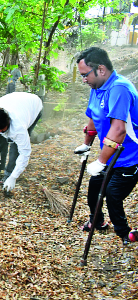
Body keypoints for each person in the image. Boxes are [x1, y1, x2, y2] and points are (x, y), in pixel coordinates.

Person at [74, 47, 138, 245]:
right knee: (94, 186)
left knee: (112, 193)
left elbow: (118, 130)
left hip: (130, 157)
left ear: (101, 69)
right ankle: (98, 220)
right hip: (111, 154)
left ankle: (125, 232)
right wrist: (86, 145)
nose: (84, 80)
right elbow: (93, 117)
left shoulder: (119, 89)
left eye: (85, 75)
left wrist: (101, 161)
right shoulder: (98, 87)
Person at [0, 92, 43, 192]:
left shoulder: (19, 127)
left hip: (33, 106)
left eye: (2, 129)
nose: (0, 132)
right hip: (14, 101)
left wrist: (13, 177)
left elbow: (25, 153)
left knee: (16, 147)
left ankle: (9, 174)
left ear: (9, 121)